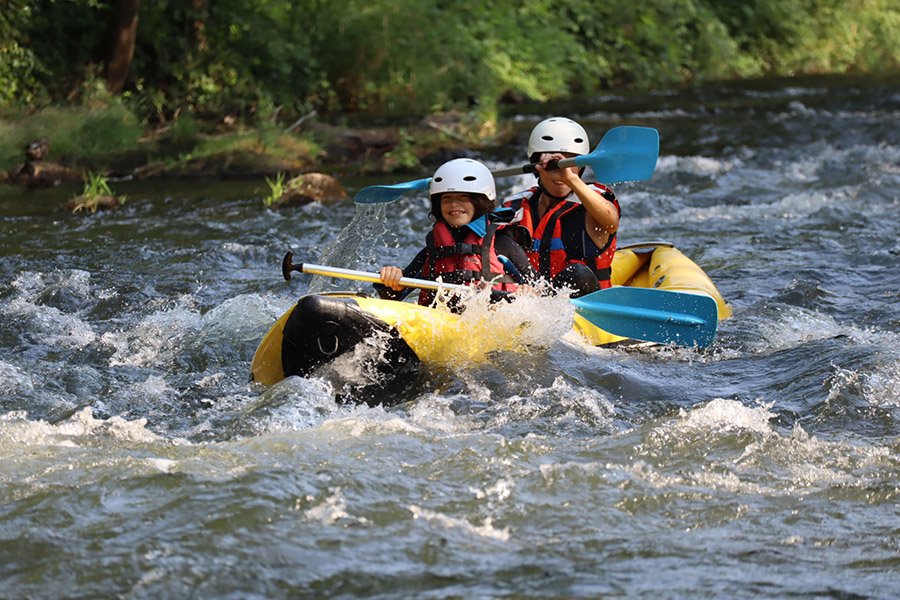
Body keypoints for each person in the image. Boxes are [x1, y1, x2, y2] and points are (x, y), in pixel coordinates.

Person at [376, 158, 538, 307]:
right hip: (442, 325)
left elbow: (543, 292)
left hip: (491, 322)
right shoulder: (433, 250)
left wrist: (528, 291)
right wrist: (392, 280)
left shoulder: (501, 244)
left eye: (463, 197)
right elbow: (394, 297)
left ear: (480, 201)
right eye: (446, 198)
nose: (454, 204)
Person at [502, 117, 620, 298]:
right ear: (537, 164)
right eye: (554, 164)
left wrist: (570, 179)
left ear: (581, 167)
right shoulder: (516, 205)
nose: (561, 171)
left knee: (578, 273)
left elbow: (611, 222)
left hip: (588, 306)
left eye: (571, 163)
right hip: (532, 303)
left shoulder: (592, 202)